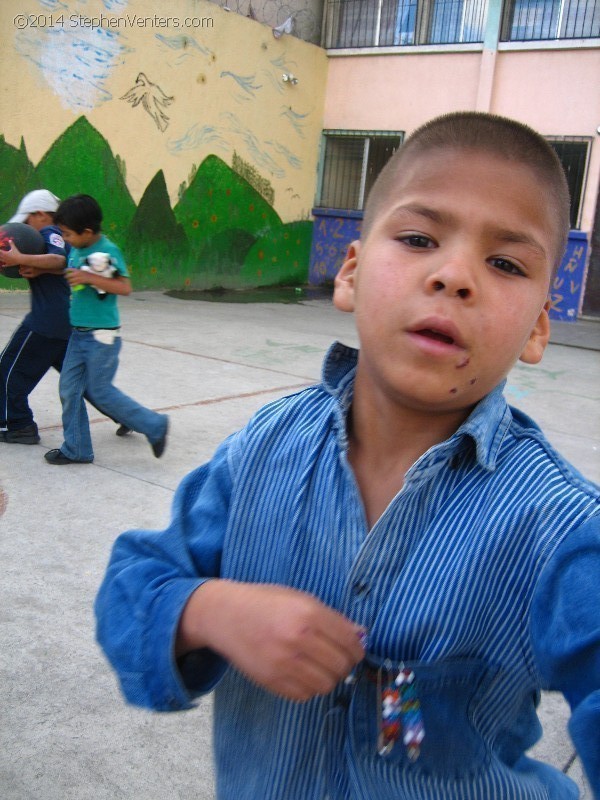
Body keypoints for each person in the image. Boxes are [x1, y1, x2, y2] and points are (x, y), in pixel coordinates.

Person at [95, 113, 600, 799]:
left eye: (506, 263)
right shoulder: (260, 454)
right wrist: (207, 609)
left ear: (538, 328)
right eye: (420, 238)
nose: (455, 275)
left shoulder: (561, 530)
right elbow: (133, 584)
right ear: (351, 273)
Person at [44, 194, 168, 465]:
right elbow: (74, 272)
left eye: (67, 234)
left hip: (101, 335)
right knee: (68, 389)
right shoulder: (78, 248)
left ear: (86, 231)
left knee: (100, 391)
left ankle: (155, 425)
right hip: (78, 334)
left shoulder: (105, 252)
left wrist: (88, 277)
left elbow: (123, 287)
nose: (64, 239)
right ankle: (77, 449)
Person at [0, 189, 131, 445]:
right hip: (64, 321)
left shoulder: (51, 232)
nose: (26, 227)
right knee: (84, 381)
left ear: (41, 215)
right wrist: (32, 266)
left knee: (7, 371)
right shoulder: (64, 238)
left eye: (27, 220)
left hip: (46, 321)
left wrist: (20, 257)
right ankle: (126, 416)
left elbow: (58, 260)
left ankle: (19, 425)